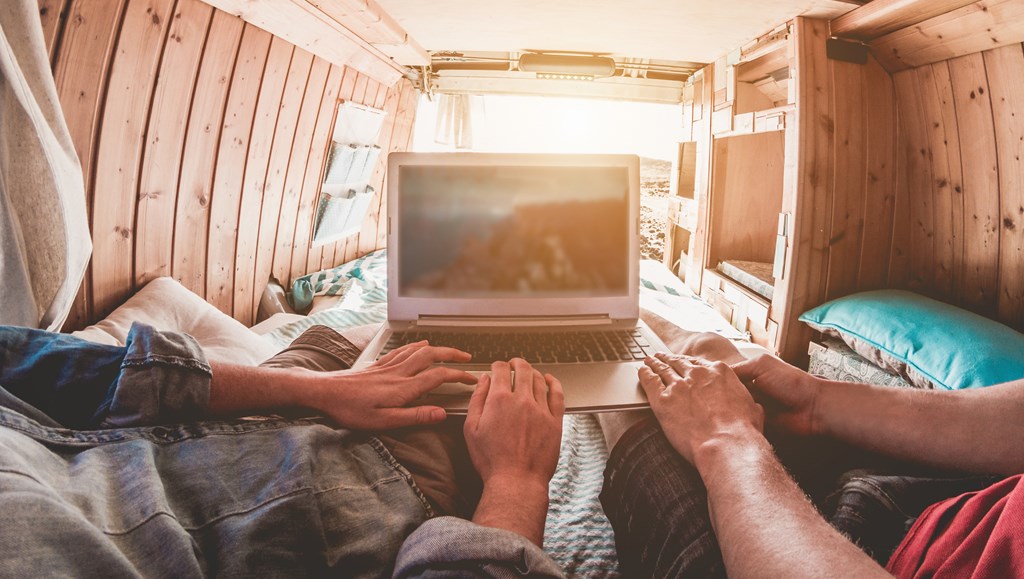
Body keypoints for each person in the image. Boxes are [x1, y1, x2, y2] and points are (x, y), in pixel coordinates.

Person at [0, 322, 567, 577]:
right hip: (377, 484)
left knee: (342, 340)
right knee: (477, 377)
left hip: (246, 406)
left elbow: (58, 367)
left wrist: (325, 388)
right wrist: (517, 482)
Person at [599, 332, 1024, 578]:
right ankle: (632, 328)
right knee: (711, 349)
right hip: (953, 498)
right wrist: (818, 402)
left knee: (645, 409)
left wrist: (723, 436)